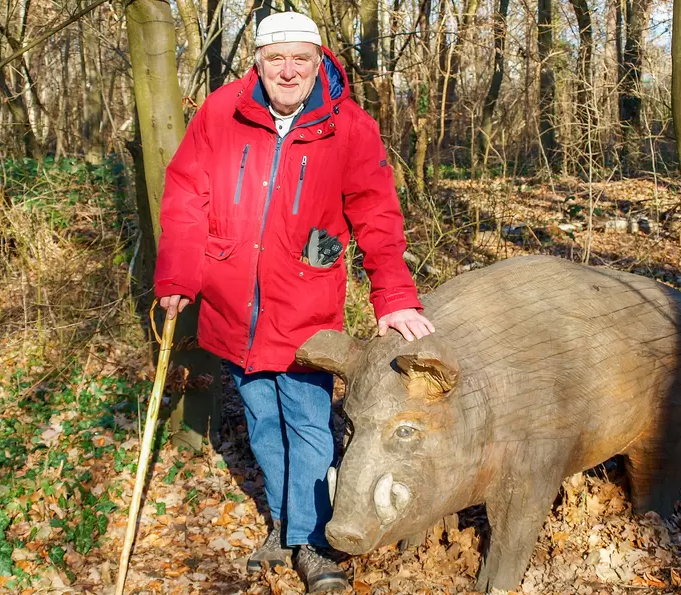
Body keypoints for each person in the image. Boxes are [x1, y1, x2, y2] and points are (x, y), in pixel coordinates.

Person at [154, 11, 434, 593]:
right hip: (233, 304)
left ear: (317, 62)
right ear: (256, 61)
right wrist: (178, 275)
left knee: (308, 423)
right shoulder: (220, 114)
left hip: (306, 307)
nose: (287, 70)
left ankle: (309, 539)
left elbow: (377, 214)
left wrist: (394, 294)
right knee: (261, 422)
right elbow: (187, 194)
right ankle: (284, 527)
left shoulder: (349, 126)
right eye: (275, 58)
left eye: (299, 60)